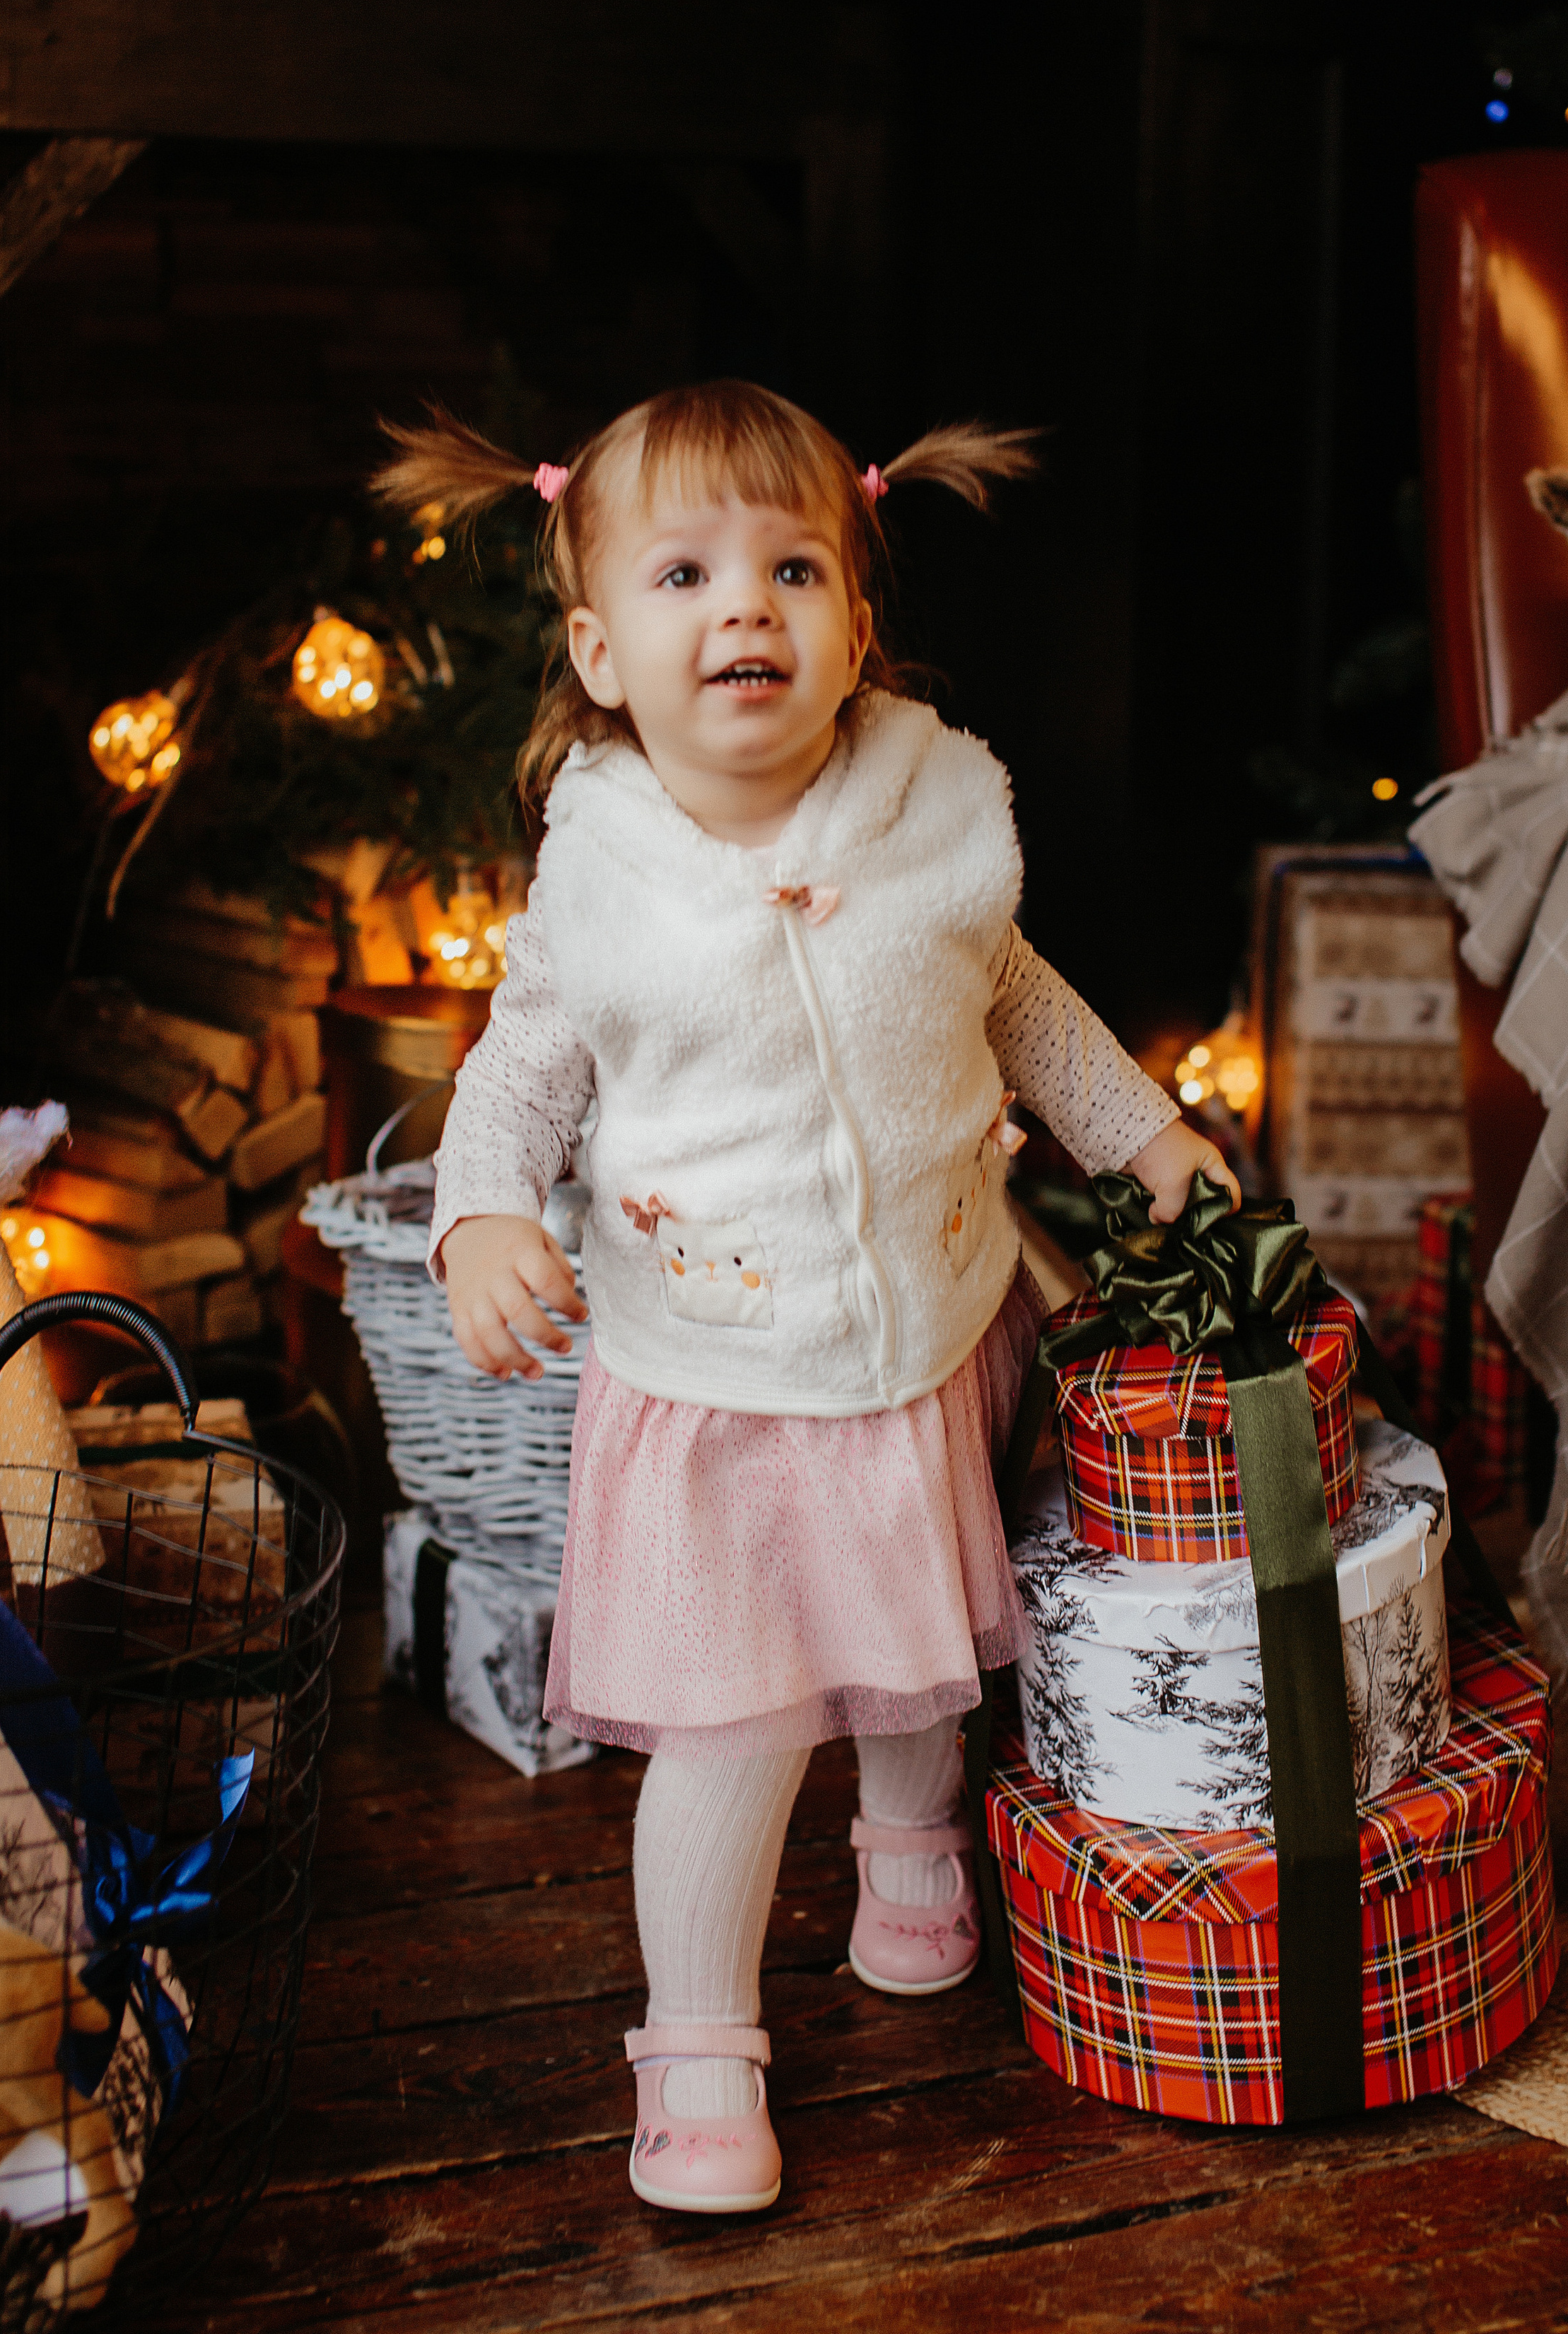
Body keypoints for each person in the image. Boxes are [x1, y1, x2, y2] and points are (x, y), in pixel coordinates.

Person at [376, 379, 1236, 2216]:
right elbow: (519, 1075)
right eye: (686, 576)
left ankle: (915, 1848)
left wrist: (1153, 1146)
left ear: (859, 625)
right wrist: (476, 1223)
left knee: (920, 1628)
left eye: (791, 570)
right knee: (738, 1722)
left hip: (922, 1326)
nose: (745, 609)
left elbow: (1022, 1001)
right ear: (605, 653)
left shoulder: (929, 812)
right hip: (717, 1375)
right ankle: (697, 2048)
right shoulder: (602, 873)